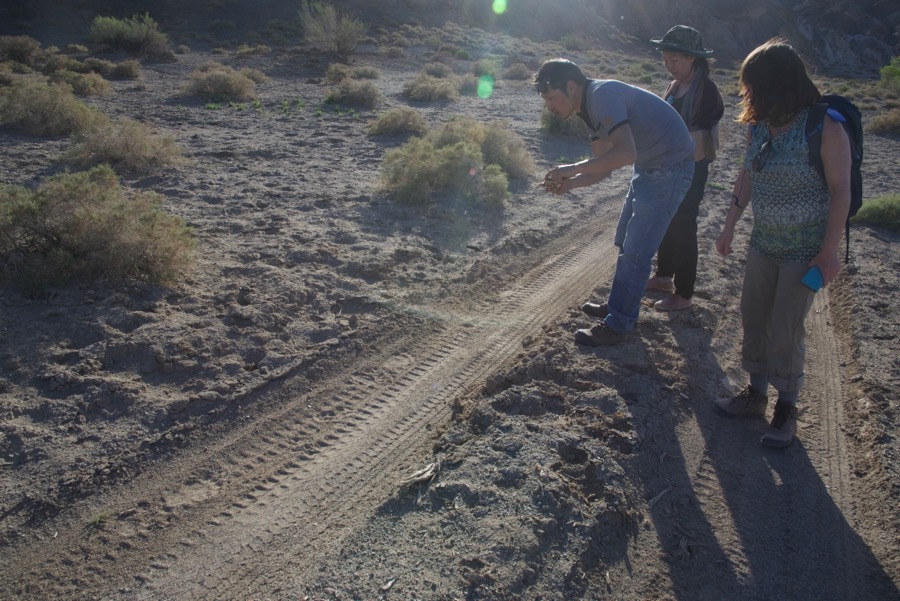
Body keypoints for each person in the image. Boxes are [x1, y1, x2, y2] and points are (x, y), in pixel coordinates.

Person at [714, 38, 851, 447]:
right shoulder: (758, 125)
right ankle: (756, 394)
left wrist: (829, 253)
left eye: (753, 84)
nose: (747, 92)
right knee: (753, 317)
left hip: (805, 252)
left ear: (776, 82)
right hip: (764, 243)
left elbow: (840, 191)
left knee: (785, 328)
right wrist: (729, 224)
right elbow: (748, 175)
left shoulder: (824, 126)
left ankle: (786, 408)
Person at [535, 58, 694, 346]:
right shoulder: (588, 107)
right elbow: (603, 167)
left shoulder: (601, 95)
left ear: (571, 87)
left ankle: (620, 323)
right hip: (650, 168)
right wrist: (569, 184)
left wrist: (569, 169)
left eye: (552, 97)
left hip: (669, 169)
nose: (550, 106)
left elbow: (625, 153)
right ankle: (619, 307)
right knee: (625, 241)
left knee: (636, 250)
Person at [646, 25, 724, 312]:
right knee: (667, 218)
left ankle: (684, 292)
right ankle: (664, 276)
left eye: (674, 61)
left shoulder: (707, 90)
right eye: (665, 60)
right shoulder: (674, 86)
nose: (669, 66)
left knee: (684, 223)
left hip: (692, 166)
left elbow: (701, 127)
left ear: (692, 58)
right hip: (669, 163)